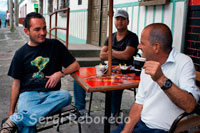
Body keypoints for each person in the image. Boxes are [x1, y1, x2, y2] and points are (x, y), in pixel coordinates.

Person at [112, 23, 200, 133]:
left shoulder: (183, 62)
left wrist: (161, 79)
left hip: (165, 130)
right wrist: (126, 130)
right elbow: (139, 104)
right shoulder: (147, 64)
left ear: (156, 47)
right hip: (141, 125)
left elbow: (190, 105)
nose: (138, 46)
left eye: (142, 43)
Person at [0, 12, 80, 133]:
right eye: (37, 29)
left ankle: (16, 120)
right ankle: (17, 119)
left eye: (44, 28)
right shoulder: (20, 54)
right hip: (28, 94)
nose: (43, 33)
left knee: (66, 96)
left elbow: (75, 65)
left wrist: (60, 73)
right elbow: (16, 84)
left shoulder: (55, 45)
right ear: (27, 31)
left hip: (52, 95)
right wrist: (11, 112)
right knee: (28, 120)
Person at [73, 9, 139, 117]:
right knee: (78, 78)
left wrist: (110, 52)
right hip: (105, 67)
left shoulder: (132, 37)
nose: (120, 21)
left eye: (123, 19)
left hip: (123, 70)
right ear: (114, 20)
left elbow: (126, 55)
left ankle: (114, 113)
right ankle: (81, 109)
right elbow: (101, 55)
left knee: (116, 83)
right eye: (117, 18)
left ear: (128, 21)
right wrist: (116, 53)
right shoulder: (110, 36)